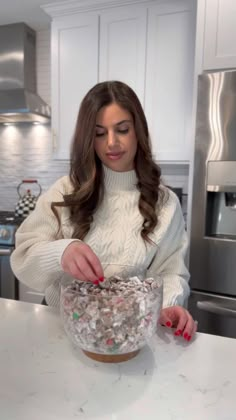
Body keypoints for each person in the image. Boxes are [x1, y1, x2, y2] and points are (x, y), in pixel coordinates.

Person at [11, 80, 197, 341]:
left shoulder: (164, 203)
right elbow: (22, 260)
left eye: (122, 129)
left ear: (137, 131)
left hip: (128, 336)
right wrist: (61, 253)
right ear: (89, 138)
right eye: (99, 133)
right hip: (61, 334)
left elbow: (171, 272)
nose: (112, 142)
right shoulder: (65, 191)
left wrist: (168, 305)